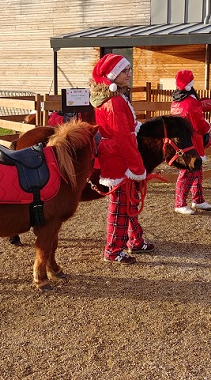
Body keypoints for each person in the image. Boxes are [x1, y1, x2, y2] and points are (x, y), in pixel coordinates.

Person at [89, 54, 153, 265]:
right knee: (120, 205)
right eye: (125, 71)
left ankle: (135, 240)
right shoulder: (115, 102)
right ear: (114, 75)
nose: (129, 74)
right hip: (119, 158)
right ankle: (113, 250)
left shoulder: (115, 98)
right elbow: (123, 137)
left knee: (129, 201)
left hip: (117, 154)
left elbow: (126, 129)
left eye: (128, 70)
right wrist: (137, 166)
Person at [170, 70, 211, 215]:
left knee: (196, 170)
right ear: (190, 84)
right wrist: (208, 127)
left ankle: (198, 199)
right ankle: (180, 203)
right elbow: (199, 124)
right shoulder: (191, 102)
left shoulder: (176, 100)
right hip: (192, 141)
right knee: (188, 172)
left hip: (181, 139)